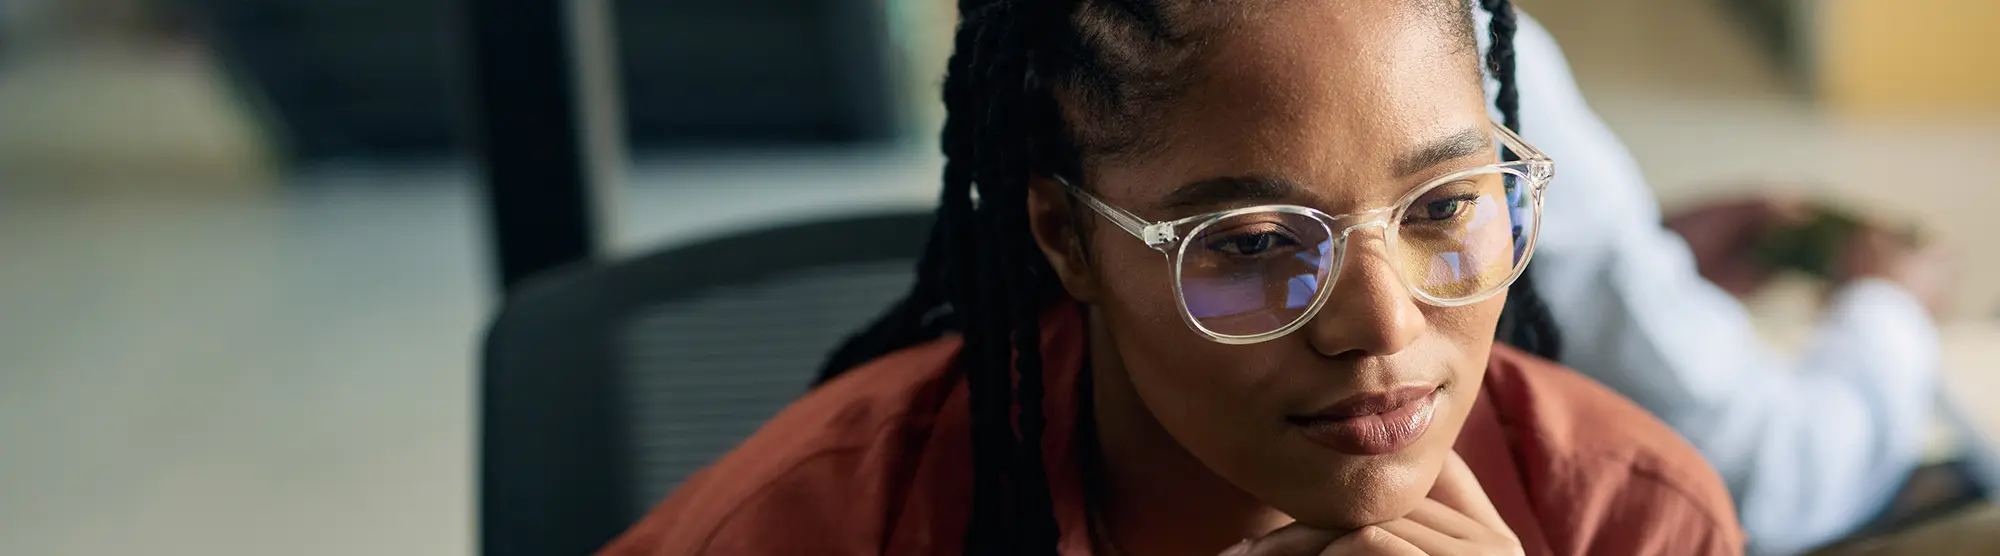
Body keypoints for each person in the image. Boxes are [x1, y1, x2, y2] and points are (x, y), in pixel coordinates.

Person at [604, 0, 1744, 554]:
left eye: (1443, 206)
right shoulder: (808, 526)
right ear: (1064, 237)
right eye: (1253, 242)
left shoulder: (1626, 516)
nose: (1382, 322)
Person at [1496, 14, 1954, 554]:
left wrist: (1645, 257)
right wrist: (1891, 306)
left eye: (1443, 211)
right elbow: (1765, 478)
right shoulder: (1475, 35)